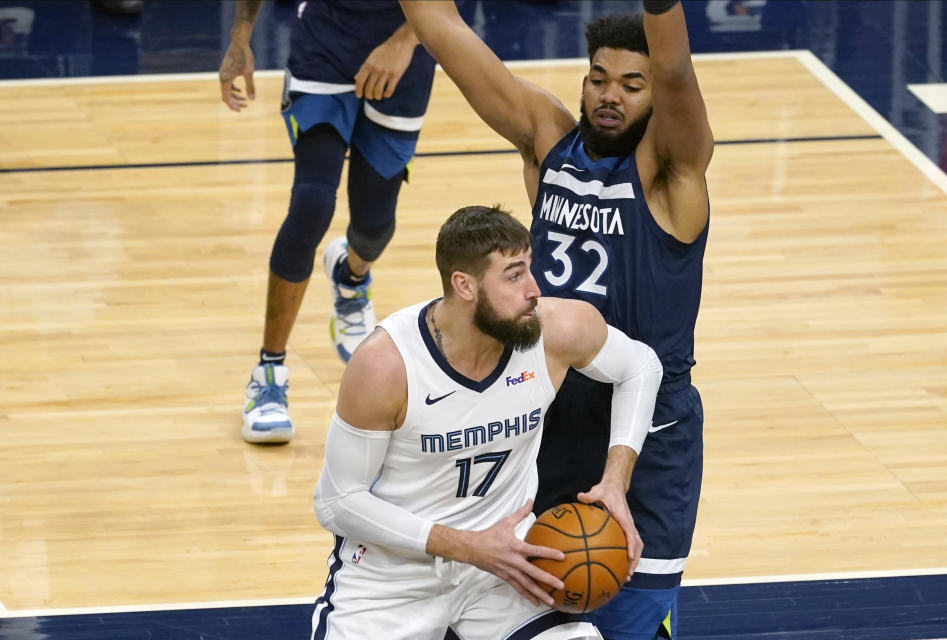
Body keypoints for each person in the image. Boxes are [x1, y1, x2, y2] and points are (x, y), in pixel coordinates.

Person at [399, 2, 713, 639]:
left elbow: (677, 68)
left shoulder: (671, 173)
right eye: (598, 79)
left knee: (624, 617)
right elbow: (446, 32)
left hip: (647, 425)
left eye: (632, 84)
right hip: (546, 413)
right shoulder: (550, 139)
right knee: (525, 609)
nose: (609, 96)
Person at [311, 205, 663, 640]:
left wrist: (615, 480)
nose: (534, 288)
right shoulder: (387, 365)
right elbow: (336, 501)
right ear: (464, 285)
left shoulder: (553, 331)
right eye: (514, 276)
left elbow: (641, 367)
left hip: (505, 570)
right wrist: (468, 547)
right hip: (393, 579)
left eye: (530, 269)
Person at [218, 0, 436, 443]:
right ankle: (269, 374)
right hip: (325, 45)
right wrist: (240, 36)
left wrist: (405, 40)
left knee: (375, 224)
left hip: (406, 57)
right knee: (312, 203)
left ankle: (351, 277)